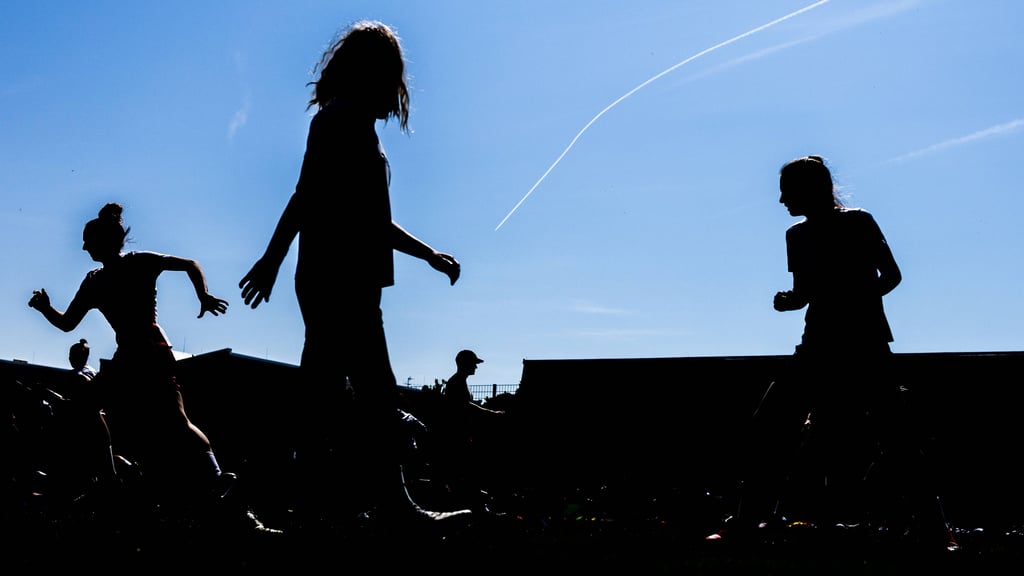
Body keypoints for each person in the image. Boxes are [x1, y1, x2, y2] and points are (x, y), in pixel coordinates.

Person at [238, 20, 470, 525]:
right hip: (335, 278)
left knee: (332, 391)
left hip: (349, 278)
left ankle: (309, 500)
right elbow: (305, 195)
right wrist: (272, 260)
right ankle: (369, 503)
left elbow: (374, 221)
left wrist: (429, 255)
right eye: (393, 72)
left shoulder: (355, 125)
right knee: (369, 391)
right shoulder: (338, 120)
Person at [713, 155, 920, 540]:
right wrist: (789, 300)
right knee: (770, 424)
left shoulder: (859, 221)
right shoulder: (797, 235)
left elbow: (892, 276)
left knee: (894, 434)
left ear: (809, 190)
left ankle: (934, 530)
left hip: (865, 344)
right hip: (819, 344)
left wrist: (848, 301)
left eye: (786, 192)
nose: (780, 202)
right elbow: (807, 294)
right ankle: (747, 521)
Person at [28, 203, 238, 513]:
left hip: (151, 352)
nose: (83, 246)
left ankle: (212, 477)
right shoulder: (94, 281)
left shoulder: (138, 263)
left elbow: (191, 264)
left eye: (88, 240)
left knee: (175, 421)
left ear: (104, 241)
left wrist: (203, 295)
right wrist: (45, 308)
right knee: (87, 408)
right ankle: (110, 479)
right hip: (129, 355)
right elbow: (68, 323)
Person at [435, 350, 505, 513]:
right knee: (462, 472)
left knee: (463, 472)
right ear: (465, 363)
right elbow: (464, 406)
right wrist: (492, 414)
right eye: (474, 363)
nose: (476, 367)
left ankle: (466, 501)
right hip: (456, 437)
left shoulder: (459, 381)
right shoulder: (457, 382)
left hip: (461, 436)